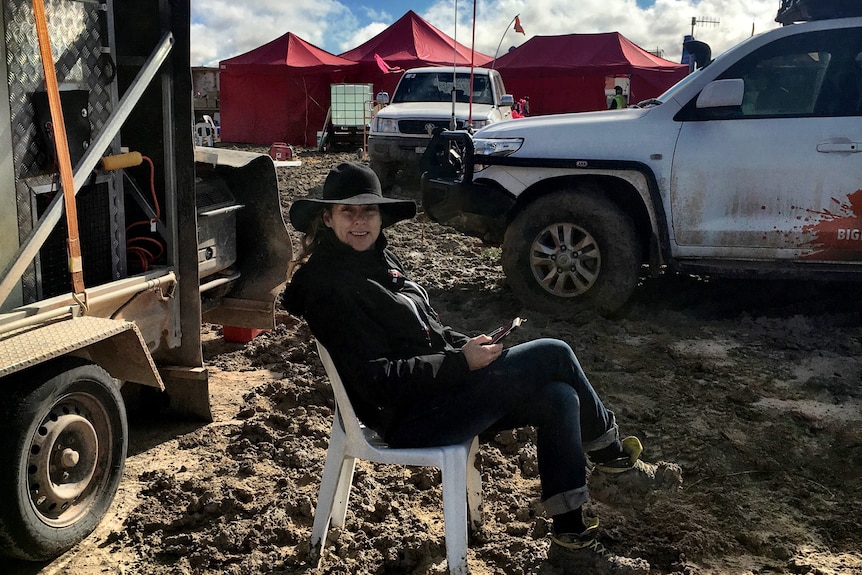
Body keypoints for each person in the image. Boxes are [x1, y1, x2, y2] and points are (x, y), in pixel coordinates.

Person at [282, 162, 681, 574]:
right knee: (554, 353)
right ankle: (616, 466)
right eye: (348, 212)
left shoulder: (377, 261)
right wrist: (460, 363)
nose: (361, 221)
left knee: (558, 397)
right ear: (326, 218)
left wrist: (467, 346)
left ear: (382, 217)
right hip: (410, 416)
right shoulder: (331, 288)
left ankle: (571, 544)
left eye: (369, 211)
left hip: (438, 396)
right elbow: (378, 381)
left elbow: (427, 330)